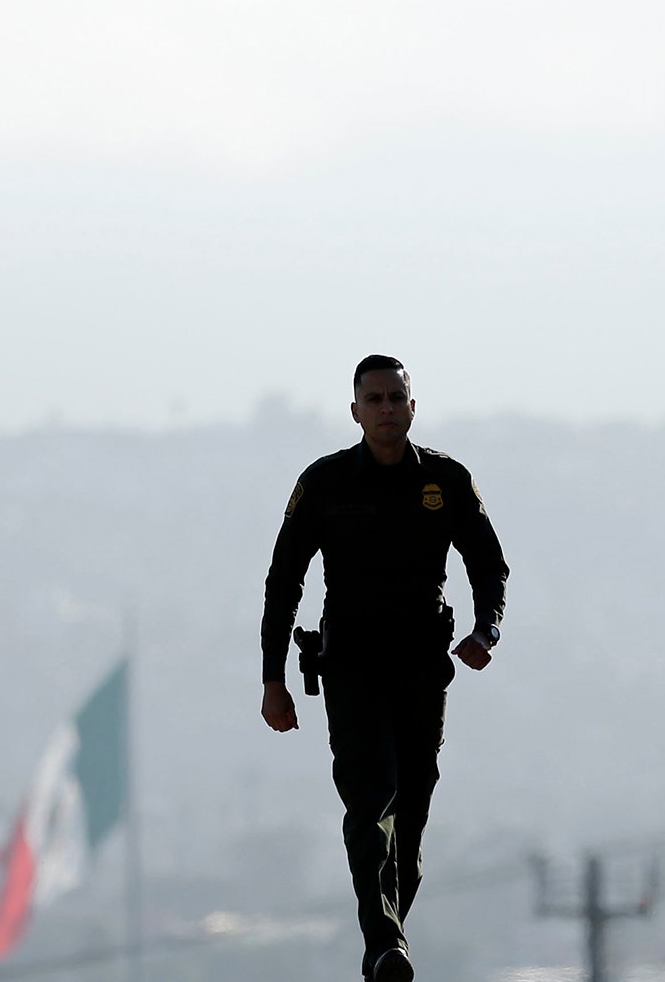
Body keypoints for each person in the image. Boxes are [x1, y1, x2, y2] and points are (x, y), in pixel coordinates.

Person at [259, 354, 509, 982]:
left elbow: (489, 564)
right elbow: (283, 581)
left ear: (412, 406)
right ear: (355, 412)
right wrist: (273, 679)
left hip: (423, 667)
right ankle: (384, 949)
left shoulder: (446, 481)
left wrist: (486, 630)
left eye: (396, 398)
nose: (386, 409)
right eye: (374, 400)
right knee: (371, 805)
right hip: (351, 669)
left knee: (412, 818)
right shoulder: (325, 484)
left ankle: (386, 936)